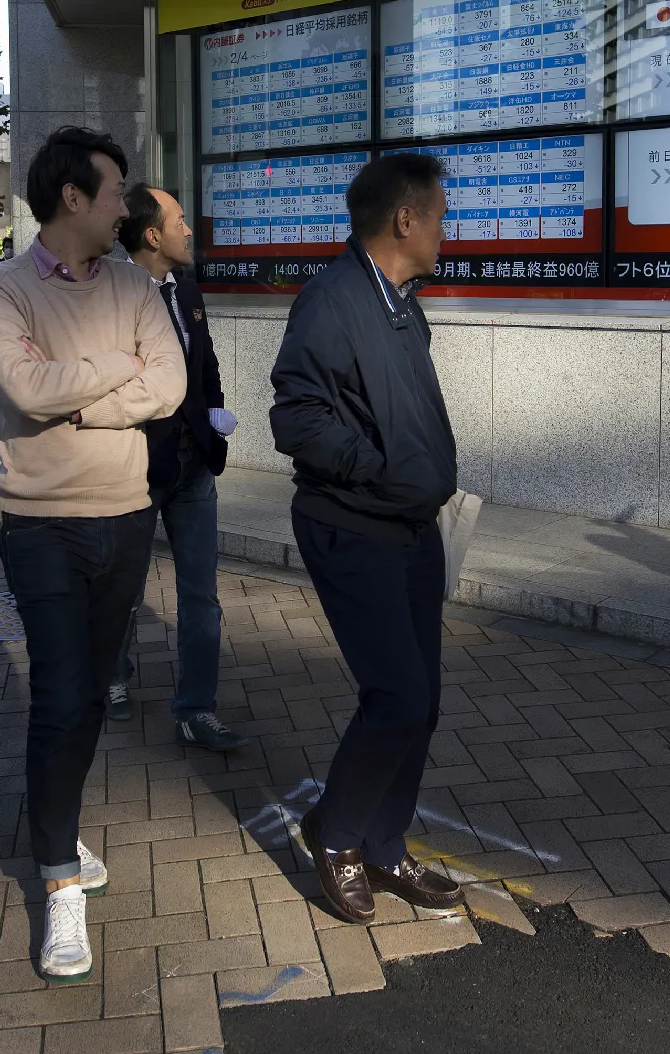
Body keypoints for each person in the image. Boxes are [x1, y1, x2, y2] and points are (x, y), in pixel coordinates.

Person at [0, 127, 185, 982]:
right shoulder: (1, 287)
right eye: (113, 193)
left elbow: (167, 386)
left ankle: (53, 819)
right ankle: (59, 874)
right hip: (42, 525)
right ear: (72, 198)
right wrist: (113, 368)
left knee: (93, 692)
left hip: (127, 516)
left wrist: (82, 402)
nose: (125, 208)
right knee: (59, 697)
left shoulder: (138, 282)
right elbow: (23, 390)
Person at [270, 152, 464, 925]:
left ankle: (383, 842)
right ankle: (337, 835)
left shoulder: (402, 300)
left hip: (412, 529)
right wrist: (379, 472)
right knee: (397, 694)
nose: (448, 229)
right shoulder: (331, 300)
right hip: (353, 528)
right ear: (405, 220)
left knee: (424, 700)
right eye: (441, 214)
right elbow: (297, 416)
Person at [108, 184, 244, 753]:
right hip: (140, 467)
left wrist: (213, 416)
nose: (190, 230)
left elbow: (204, 363)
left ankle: (196, 709)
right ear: (152, 234)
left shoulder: (187, 289)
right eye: (180, 220)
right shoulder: (113, 298)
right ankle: (111, 677)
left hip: (195, 465)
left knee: (201, 594)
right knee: (125, 589)